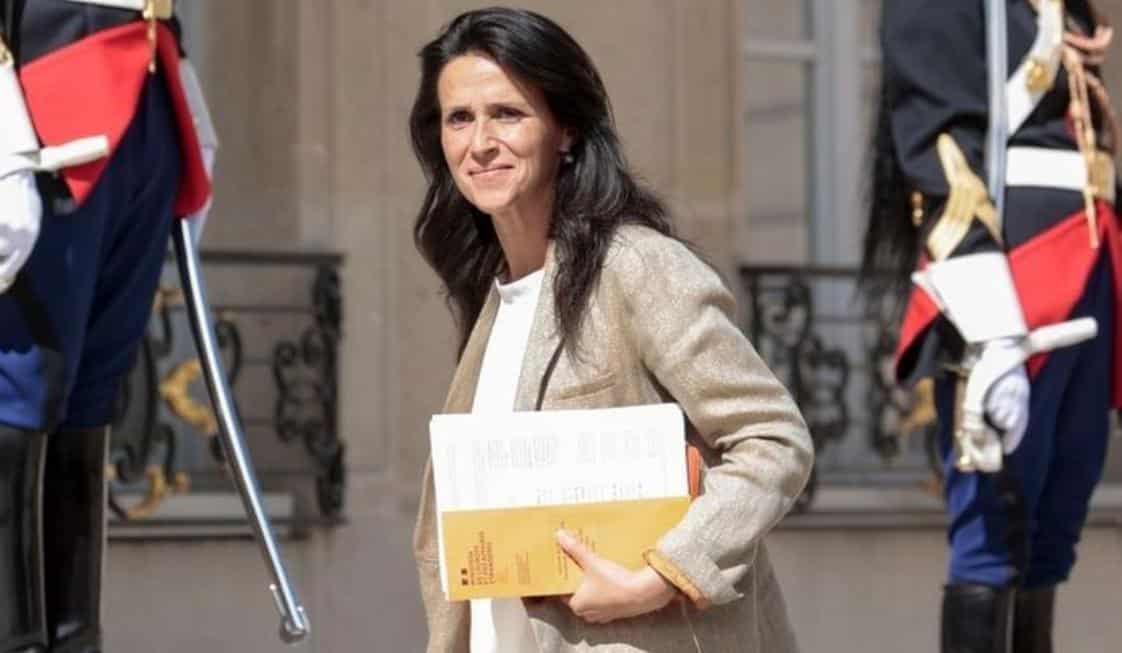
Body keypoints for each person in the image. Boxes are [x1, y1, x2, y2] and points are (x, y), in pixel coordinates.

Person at [408, 7, 814, 653]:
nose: (479, 142)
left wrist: (660, 576)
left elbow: (773, 440)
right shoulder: (495, 297)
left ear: (565, 128)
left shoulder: (636, 266)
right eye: (459, 118)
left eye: (507, 114)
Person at [862, 1, 1120, 650]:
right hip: (1019, 281)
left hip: (1088, 265)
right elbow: (940, 154)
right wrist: (989, 320)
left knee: (1054, 531)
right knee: (993, 534)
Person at [0, 1, 215, 650]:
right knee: (21, 387)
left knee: (91, 396)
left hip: (143, 88)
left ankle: (76, 637)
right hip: (47, 97)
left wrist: (180, 87)